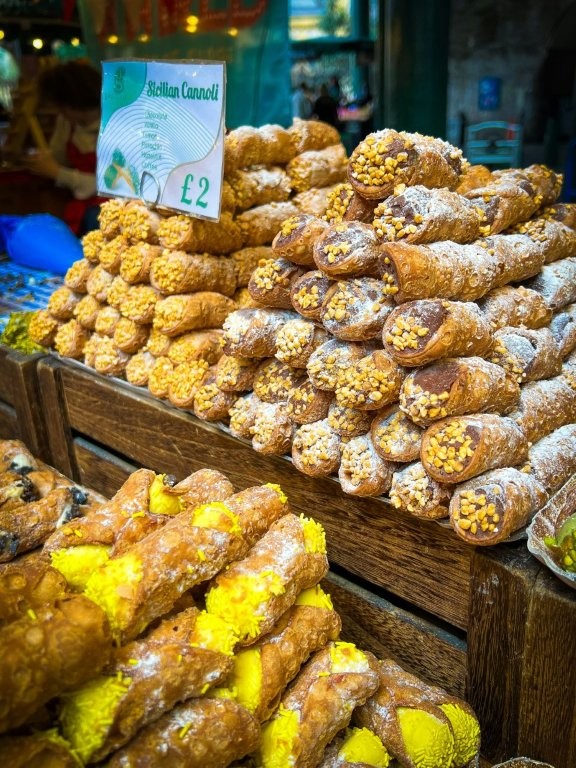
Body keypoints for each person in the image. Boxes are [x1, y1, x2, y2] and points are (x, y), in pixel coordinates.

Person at [25, 60, 105, 236]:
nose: (60, 112)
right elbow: (57, 159)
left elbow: (111, 184)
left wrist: (58, 173)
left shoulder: (115, 124)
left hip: (108, 203)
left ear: (72, 103)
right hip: (79, 204)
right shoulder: (67, 124)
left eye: (61, 106)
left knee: (96, 218)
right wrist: (44, 162)